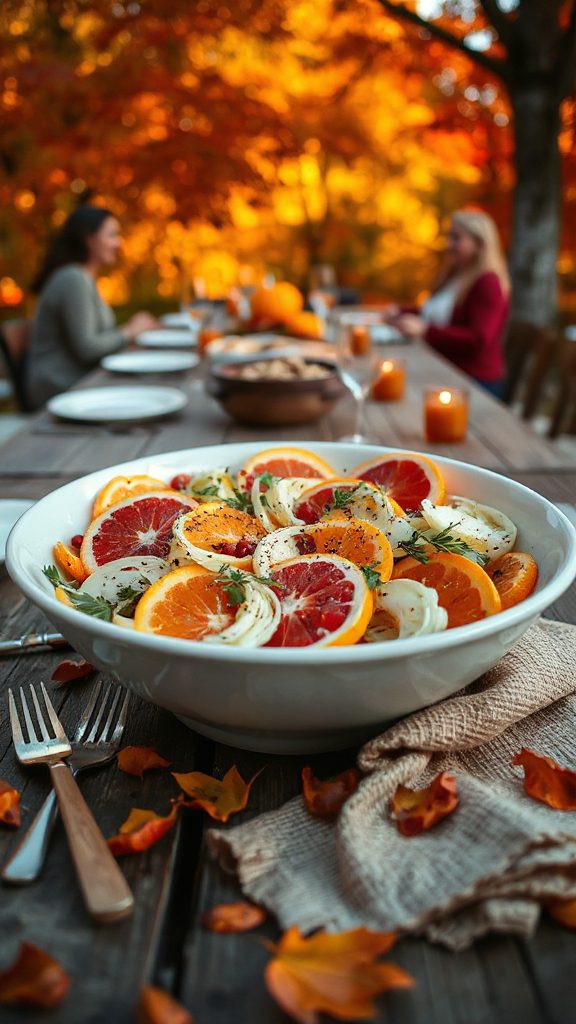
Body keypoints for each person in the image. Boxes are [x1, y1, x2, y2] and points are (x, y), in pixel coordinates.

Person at [27, 205, 157, 407]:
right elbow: (87, 349)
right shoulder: (72, 278)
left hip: (82, 381)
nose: (118, 242)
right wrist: (130, 331)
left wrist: (129, 333)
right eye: (112, 235)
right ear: (89, 238)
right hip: (61, 386)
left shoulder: (84, 278)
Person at [383, 209, 510, 397]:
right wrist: (400, 312)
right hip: (446, 368)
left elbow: (478, 340)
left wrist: (426, 330)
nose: (448, 244)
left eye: (456, 238)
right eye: (449, 237)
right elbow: (434, 312)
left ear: (479, 244)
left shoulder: (487, 283)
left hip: (475, 380)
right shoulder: (457, 275)